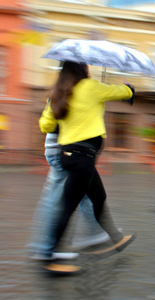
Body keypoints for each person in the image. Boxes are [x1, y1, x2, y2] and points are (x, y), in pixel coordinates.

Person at [39, 61, 136, 272]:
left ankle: (116, 238)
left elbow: (45, 125)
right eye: (86, 69)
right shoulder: (90, 87)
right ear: (82, 71)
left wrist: (61, 117)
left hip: (73, 157)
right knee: (68, 207)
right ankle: (49, 259)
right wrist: (128, 87)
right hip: (82, 160)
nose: (89, 71)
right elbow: (121, 91)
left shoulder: (58, 93)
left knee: (99, 198)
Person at [27, 130, 118, 261]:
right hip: (63, 151)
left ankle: (92, 235)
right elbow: (49, 123)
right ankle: (45, 248)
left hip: (68, 151)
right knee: (58, 202)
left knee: (83, 196)